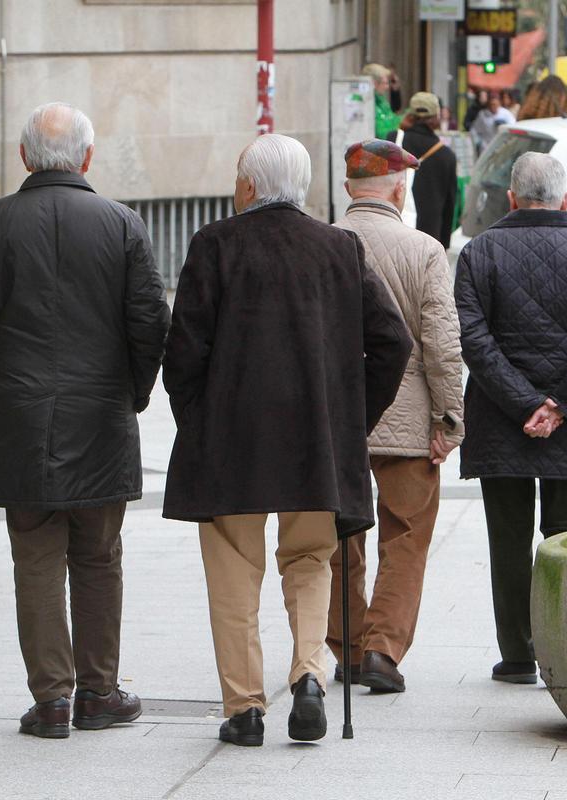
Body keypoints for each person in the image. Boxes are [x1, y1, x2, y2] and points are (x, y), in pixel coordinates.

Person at [162, 134, 412, 746]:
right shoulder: (338, 248)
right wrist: (350, 417)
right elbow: (393, 343)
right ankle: (308, 674)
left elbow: (183, 352)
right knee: (309, 561)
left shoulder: (215, 245)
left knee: (233, 572)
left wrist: (198, 417)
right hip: (314, 443)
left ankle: (245, 708)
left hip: (231, 445)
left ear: (248, 185)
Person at [0, 102, 171, 739]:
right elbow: (150, 321)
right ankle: (99, 693)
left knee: (36, 558)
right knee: (99, 556)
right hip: (101, 414)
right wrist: (135, 393)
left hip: (21, 415)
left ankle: (51, 701)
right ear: (88, 158)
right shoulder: (121, 223)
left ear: (24, 157)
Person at [454, 152, 567, 684]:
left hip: (499, 422)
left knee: (507, 541)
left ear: (511, 197)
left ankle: (517, 655)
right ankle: (565, 650)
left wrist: (523, 403)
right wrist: (557, 407)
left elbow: (475, 343)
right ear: (565, 199)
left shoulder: (478, 254)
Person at [327, 139, 465, 693]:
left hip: (338, 419)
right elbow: (442, 343)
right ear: (401, 189)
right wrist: (448, 418)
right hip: (408, 420)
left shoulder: (326, 245)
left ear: (347, 189)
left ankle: (348, 648)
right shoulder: (425, 250)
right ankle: (384, 650)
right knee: (406, 535)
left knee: (341, 535)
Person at [399, 92, 460, 249]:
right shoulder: (446, 156)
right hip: (429, 239)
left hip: (395, 233)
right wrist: (444, 245)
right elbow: (449, 206)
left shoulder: (393, 140)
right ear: (436, 117)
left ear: (410, 114)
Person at [365, 63, 404, 140]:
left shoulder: (382, 101)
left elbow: (393, 118)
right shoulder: (368, 105)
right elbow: (382, 134)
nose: (387, 87)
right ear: (374, 83)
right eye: (385, 83)